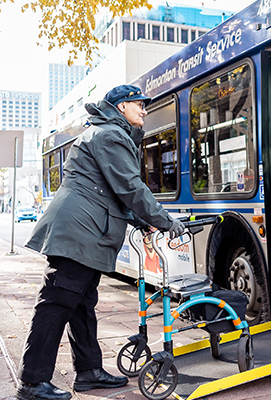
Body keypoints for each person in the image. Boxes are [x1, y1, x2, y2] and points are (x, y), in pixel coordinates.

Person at [17, 85, 185, 400]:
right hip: (79, 232)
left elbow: (111, 192)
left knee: (81, 304)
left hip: (84, 230)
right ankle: (33, 382)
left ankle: (88, 371)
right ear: (121, 106)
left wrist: (142, 220)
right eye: (140, 104)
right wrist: (165, 221)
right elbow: (130, 188)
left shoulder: (105, 133)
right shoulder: (110, 135)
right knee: (55, 305)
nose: (145, 111)